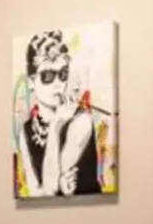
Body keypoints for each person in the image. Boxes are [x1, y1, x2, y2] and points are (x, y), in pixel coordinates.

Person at [14, 29, 105, 196]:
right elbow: (37, 193)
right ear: (31, 81)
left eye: (63, 74)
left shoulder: (81, 120)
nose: (58, 83)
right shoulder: (26, 131)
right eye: (48, 76)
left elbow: (50, 190)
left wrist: (56, 126)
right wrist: (56, 124)